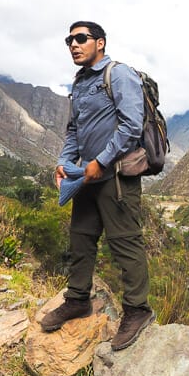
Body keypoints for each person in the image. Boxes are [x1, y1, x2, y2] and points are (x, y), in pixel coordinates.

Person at [41, 20, 155, 351]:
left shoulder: (118, 74)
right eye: (69, 40)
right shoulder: (79, 83)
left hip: (115, 176)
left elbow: (131, 126)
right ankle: (77, 299)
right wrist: (64, 162)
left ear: (100, 43)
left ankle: (137, 310)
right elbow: (74, 131)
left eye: (81, 38)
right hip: (85, 177)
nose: (73, 44)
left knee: (125, 243)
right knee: (80, 240)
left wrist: (100, 161)